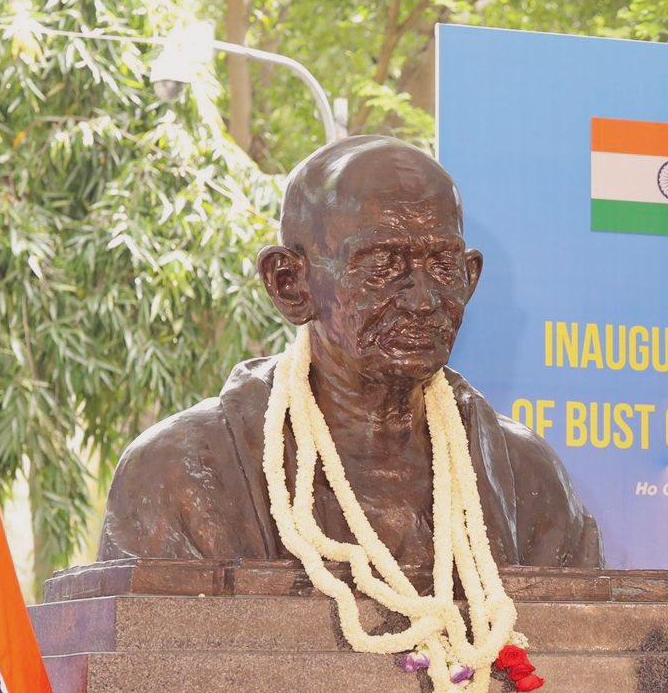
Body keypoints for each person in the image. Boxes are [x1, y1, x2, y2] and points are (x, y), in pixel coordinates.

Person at [97, 135, 601, 569]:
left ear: (470, 277)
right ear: (290, 284)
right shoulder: (180, 471)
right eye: (382, 264)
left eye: (442, 266)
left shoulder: (528, 477)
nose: (423, 300)